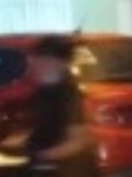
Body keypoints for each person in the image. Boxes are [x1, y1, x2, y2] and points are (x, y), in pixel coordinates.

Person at [25, 36, 98, 176]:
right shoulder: (45, 90)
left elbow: (78, 142)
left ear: (61, 63)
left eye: (44, 60)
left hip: (69, 170)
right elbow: (47, 128)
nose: (36, 65)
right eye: (37, 59)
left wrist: (41, 155)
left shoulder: (68, 94)